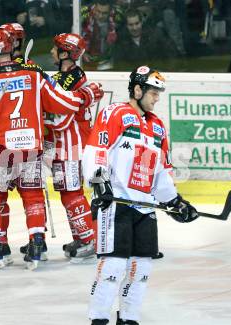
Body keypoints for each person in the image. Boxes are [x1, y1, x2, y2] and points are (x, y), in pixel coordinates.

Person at [0, 29, 103, 270]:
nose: (51, 52)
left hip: (7, 148)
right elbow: (64, 103)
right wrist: (84, 96)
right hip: (33, 146)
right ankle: (37, 243)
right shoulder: (35, 74)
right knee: (33, 195)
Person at [82, 66, 199, 324]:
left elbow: (161, 171)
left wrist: (175, 202)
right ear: (137, 90)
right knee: (112, 267)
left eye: (159, 93)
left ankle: (129, 318)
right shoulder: (115, 113)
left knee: (142, 268)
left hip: (145, 207)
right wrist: (99, 181)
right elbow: (96, 149)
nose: (157, 98)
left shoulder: (158, 127)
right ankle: (99, 319)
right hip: (115, 204)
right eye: (153, 92)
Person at [42, 33, 97, 262]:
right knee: (67, 193)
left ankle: (88, 240)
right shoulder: (65, 77)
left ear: (65, 53)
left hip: (73, 146)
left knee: (72, 193)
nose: (52, 52)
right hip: (66, 145)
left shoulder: (72, 77)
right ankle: (82, 237)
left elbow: (57, 115)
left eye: (56, 49)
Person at [112, 9, 178, 71]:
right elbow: (119, 65)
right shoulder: (121, 40)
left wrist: (168, 71)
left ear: (141, 22)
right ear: (126, 25)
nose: (134, 28)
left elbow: (172, 54)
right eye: (131, 25)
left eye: (137, 23)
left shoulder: (156, 34)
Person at [82, 0, 117, 71]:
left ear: (110, 11)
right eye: (98, 11)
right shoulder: (82, 15)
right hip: (85, 61)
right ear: (94, 8)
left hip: (107, 62)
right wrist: (82, 52)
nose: (100, 16)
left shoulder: (117, 17)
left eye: (104, 13)